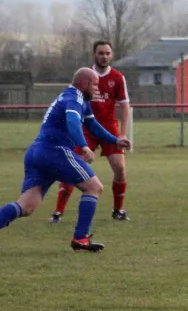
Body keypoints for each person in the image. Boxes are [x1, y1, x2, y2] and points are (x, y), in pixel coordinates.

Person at [0, 68, 130, 251]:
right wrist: (83, 145)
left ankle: (80, 238)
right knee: (94, 187)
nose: (97, 89)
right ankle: (80, 238)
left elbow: (92, 124)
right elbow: (72, 121)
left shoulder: (77, 98)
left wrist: (115, 140)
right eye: (94, 85)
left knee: (26, 206)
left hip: (36, 152)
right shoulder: (74, 98)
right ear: (84, 84)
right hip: (54, 150)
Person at [50, 40, 131, 223]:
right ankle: (58, 212)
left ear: (111, 55)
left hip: (109, 126)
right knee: (73, 166)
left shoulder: (118, 78)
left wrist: (123, 134)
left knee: (120, 169)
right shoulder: (85, 75)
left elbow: (125, 107)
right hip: (86, 127)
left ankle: (118, 211)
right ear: (94, 55)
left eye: (108, 53)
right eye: (101, 53)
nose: (105, 56)